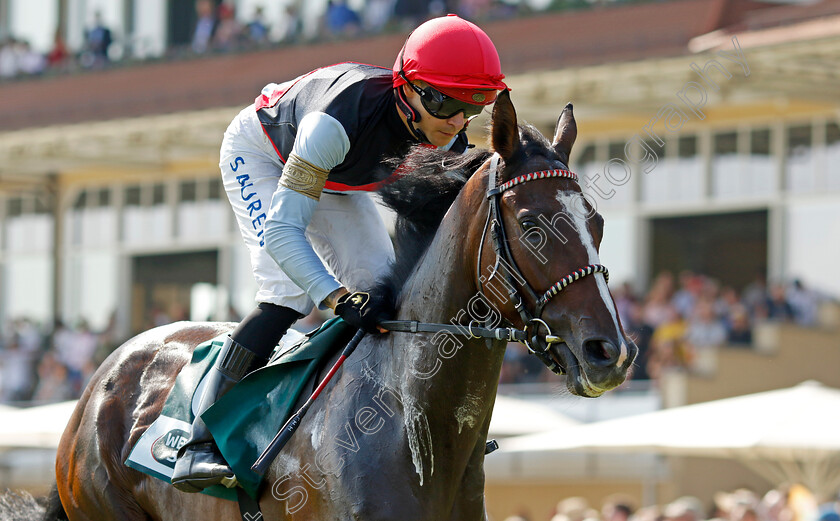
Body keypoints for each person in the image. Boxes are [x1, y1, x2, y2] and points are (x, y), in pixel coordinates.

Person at [171, 14, 507, 493]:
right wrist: (334, 298)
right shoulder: (335, 121)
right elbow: (283, 234)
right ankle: (199, 441)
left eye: (476, 105)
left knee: (384, 290)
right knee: (289, 295)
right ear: (408, 88)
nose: (457, 120)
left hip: (337, 179)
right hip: (265, 154)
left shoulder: (449, 137)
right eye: (447, 102)